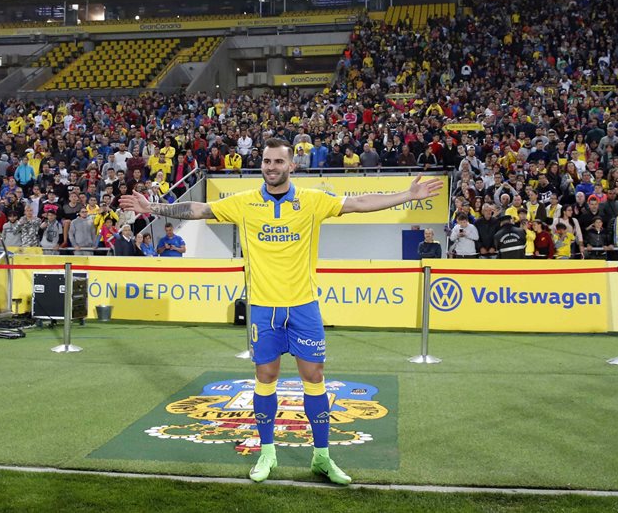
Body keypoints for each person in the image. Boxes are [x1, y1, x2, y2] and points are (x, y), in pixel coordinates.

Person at [119, 137, 441, 485]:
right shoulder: (244, 202)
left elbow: (359, 202)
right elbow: (199, 210)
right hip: (263, 309)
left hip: (304, 307)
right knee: (266, 377)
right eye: (266, 161)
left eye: (278, 161)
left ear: (291, 165)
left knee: (314, 378)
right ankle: (267, 452)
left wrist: (407, 196)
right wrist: (153, 207)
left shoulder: (313, 201)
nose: (271, 167)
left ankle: (322, 457)